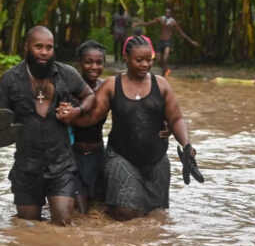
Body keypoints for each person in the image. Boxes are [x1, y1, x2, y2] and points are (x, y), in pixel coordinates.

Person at [57, 35, 196, 221]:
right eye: (139, 60)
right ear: (126, 58)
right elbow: (92, 118)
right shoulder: (112, 85)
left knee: (156, 215)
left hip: (156, 158)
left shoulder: (161, 84)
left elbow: (176, 119)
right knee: (125, 214)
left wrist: (187, 144)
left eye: (149, 60)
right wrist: (69, 117)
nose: (145, 64)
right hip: (122, 156)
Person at [0, 26, 95, 226]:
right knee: (28, 225)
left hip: (61, 165)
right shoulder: (9, 79)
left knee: (64, 221)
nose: (44, 52)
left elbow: (90, 96)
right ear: (27, 47)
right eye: (38, 46)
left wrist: (77, 111)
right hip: (26, 167)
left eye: (49, 47)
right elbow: (0, 118)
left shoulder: (67, 73)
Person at [72, 40, 107, 213]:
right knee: (81, 212)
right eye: (88, 62)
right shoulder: (70, 87)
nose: (94, 67)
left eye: (99, 62)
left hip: (99, 156)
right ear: (80, 62)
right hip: (74, 156)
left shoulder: (106, 88)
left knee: (100, 209)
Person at [135, 7, 198, 77]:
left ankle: (163, 76)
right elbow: (149, 23)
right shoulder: (161, 19)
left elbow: (181, 33)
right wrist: (139, 23)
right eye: (166, 12)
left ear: (171, 14)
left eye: (168, 12)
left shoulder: (173, 23)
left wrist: (191, 41)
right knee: (158, 60)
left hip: (167, 42)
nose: (167, 13)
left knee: (165, 59)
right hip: (160, 41)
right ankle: (166, 69)